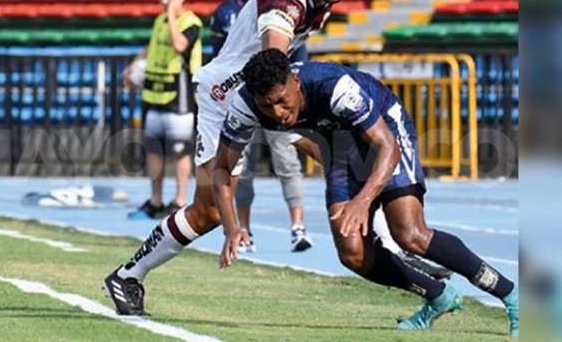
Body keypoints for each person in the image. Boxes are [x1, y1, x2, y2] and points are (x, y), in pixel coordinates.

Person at [104, 0, 348, 315]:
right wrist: (296, 122)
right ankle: (127, 275)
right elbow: (273, 65)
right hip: (230, 97)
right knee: (209, 211)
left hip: (255, 92)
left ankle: (398, 247)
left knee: (341, 159)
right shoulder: (287, 3)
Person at [212, 49, 519, 336]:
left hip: (385, 131)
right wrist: (231, 227)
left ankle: (512, 294)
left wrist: (362, 201)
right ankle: (438, 296)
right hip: (339, 145)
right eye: (267, 106)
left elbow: (388, 146)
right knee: (353, 254)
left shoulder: (334, 87)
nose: (277, 112)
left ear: (294, 81)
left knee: (410, 234)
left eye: (281, 101)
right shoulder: (246, 106)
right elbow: (222, 169)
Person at [209, 0, 312, 253]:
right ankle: (243, 229)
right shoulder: (223, 11)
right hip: (242, 98)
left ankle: (298, 226)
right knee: (243, 166)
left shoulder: (279, 3)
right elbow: (217, 58)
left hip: (277, 96)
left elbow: (299, 50)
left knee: (287, 159)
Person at [123, 0, 203, 220]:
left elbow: (179, 45)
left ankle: (179, 201)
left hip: (179, 99)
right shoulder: (158, 21)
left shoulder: (191, 23)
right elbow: (151, 48)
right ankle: (155, 200)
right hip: (154, 95)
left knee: (180, 151)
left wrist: (171, 15)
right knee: (154, 150)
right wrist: (133, 66)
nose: (165, 0)